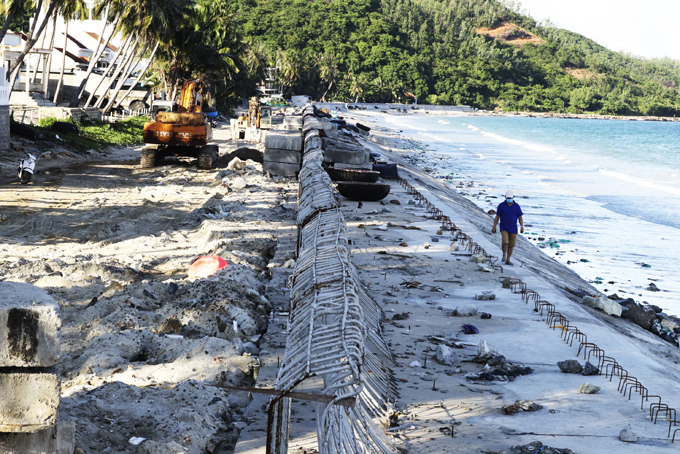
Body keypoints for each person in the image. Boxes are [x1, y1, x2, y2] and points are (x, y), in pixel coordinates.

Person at [491, 190, 524, 266]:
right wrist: (494, 226)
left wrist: (522, 226)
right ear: (505, 197)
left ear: (513, 197)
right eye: (508, 198)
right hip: (504, 227)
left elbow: (520, 217)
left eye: (510, 198)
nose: (509, 199)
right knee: (505, 242)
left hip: (513, 228)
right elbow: (497, 217)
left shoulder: (517, 206)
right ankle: (504, 254)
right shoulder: (501, 206)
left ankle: (508, 259)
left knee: (511, 245)